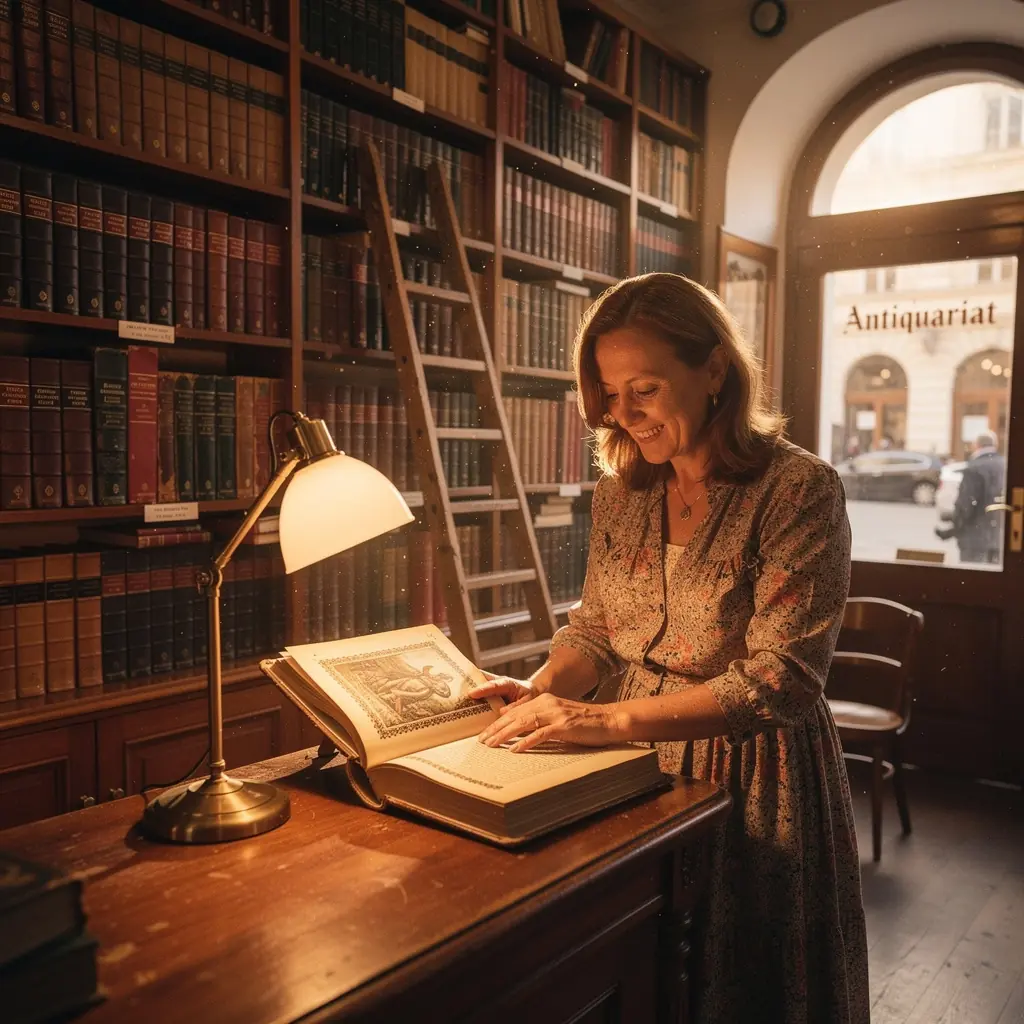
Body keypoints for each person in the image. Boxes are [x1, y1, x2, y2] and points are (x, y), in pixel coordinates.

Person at [469, 273, 869, 1023]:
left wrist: (605, 722)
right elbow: (598, 629)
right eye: (610, 394)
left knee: (742, 982)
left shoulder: (798, 489)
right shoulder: (624, 491)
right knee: (641, 979)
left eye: (644, 388)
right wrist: (542, 687)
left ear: (715, 369)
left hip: (753, 773)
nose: (625, 414)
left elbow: (782, 679)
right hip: (634, 771)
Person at [935, 431, 1006, 564]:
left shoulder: (974, 468)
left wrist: (954, 527)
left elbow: (965, 505)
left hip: (975, 538)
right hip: (997, 538)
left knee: (974, 579)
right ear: (994, 445)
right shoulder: (1004, 465)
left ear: (976, 445)